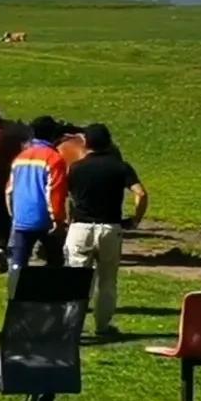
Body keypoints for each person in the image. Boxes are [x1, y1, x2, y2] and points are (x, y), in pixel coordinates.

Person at [63, 123, 146, 336]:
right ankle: (102, 325)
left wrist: (66, 219)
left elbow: (66, 196)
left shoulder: (76, 167)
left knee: (76, 281)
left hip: (80, 228)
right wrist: (135, 220)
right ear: (109, 143)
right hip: (110, 227)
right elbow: (141, 194)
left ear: (86, 144)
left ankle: (73, 326)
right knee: (107, 281)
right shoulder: (120, 167)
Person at [5, 116, 70, 296]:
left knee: (18, 261)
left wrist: (14, 214)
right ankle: (51, 294)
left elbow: (9, 190)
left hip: (21, 219)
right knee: (56, 260)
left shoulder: (20, 157)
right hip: (45, 220)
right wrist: (58, 220)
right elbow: (55, 192)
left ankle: (15, 295)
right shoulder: (54, 158)